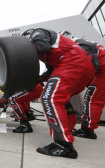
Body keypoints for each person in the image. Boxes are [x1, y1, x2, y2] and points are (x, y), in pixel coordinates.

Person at [21, 28, 95, 159]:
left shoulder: (37, 33)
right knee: (61, 100)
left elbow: (41, 46)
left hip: (72, 61)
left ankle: (64, 145)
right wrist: (40, 78)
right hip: (82, 66)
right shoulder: (50, 53)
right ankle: (68, 130)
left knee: (50, 98)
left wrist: (19, 55)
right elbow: (51, 70)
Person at [70, 38, 104, 139]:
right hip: (102, 70)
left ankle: (87, 130)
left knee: (92, 99)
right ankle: (87, 128)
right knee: (93, 97)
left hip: (103, 72)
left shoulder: (79, 45)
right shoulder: (86, 43)